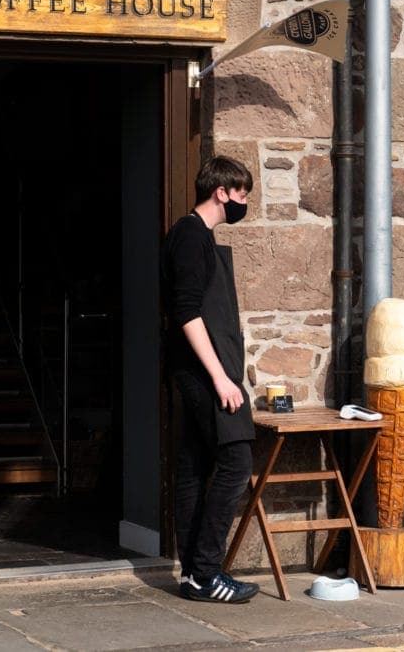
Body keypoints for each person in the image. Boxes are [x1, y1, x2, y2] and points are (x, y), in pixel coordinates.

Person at [163, 155, 259, 604]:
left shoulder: (199, 236)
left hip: (205, 371)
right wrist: (221, 378)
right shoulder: (190, 236)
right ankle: (204, 571)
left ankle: (194, 576)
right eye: (241, 194)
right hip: (204, 374)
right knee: (236, 462)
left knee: (196, 465)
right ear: (221, 191)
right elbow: (186, 312)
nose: (243, 202)